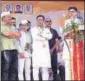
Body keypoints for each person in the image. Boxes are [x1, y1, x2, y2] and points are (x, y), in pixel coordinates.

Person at [31, 15, 52, 81]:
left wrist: (41, 35)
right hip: (37, 52)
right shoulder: (33, 29)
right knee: (35, 69)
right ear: (36, 21)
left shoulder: (46, 29)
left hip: (44, 52)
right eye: (38, 20)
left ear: (43, 21)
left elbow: (50, 36)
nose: (40, 21)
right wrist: (45, 37)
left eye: (41, 20)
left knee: (45, 69)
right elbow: (35, 37)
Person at [1, 11, 21, 81]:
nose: (10, 18)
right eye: (8, 17)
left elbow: (19, 35)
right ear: (3, 18)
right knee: (5, 69)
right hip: (6, 49)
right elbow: (7, 34)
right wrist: (13, 34)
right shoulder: (1, 26)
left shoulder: (12, 27)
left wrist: (12, 34)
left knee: (14, 69)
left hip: (15, 49)